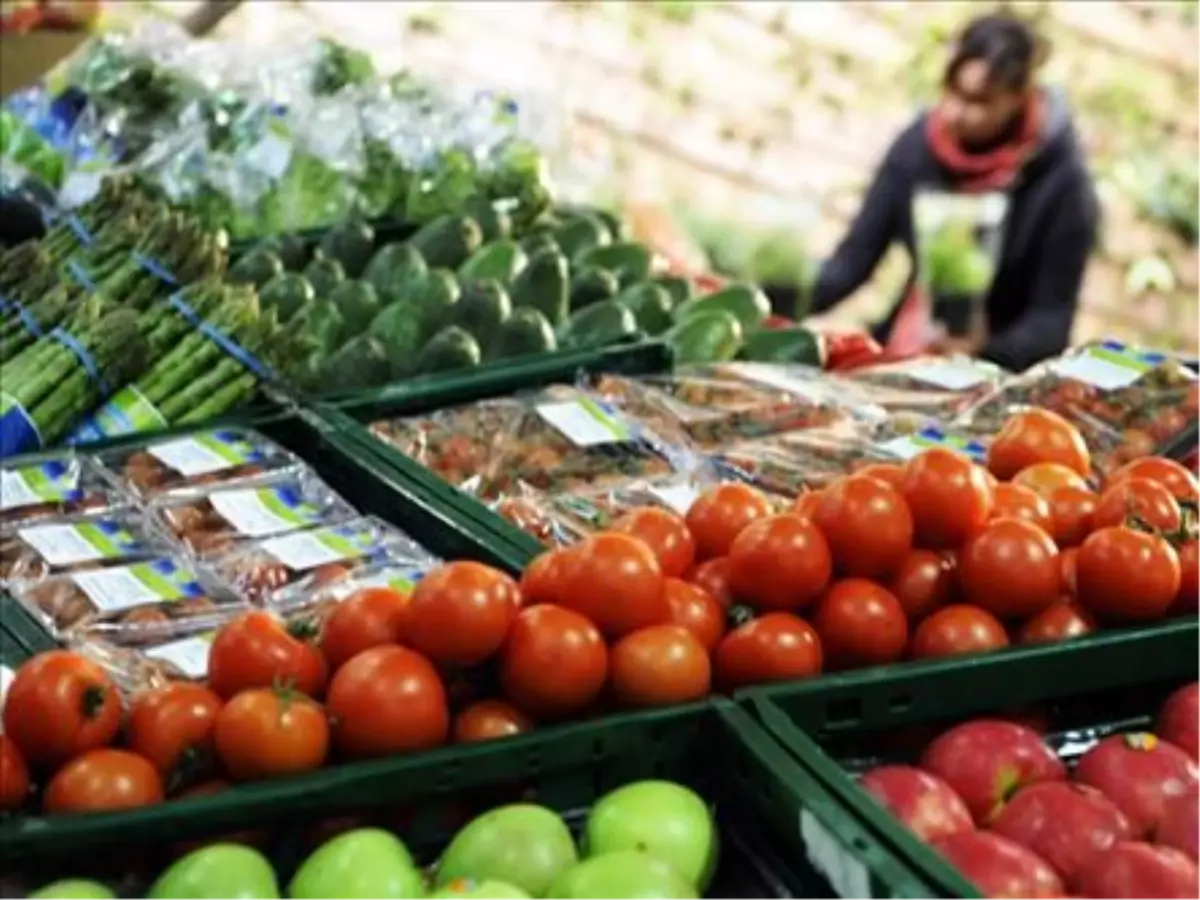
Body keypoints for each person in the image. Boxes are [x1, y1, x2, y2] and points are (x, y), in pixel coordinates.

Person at [805, 12, 1099, 371]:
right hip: (900, 358)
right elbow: (850, 264)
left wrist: (983, 354)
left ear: (1018, 96)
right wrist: (770, 298)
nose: (955, 113)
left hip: (993, 380)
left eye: (979, 102)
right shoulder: (920, 146)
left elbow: (1051, 322)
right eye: (952, 92)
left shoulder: (1063, 188)